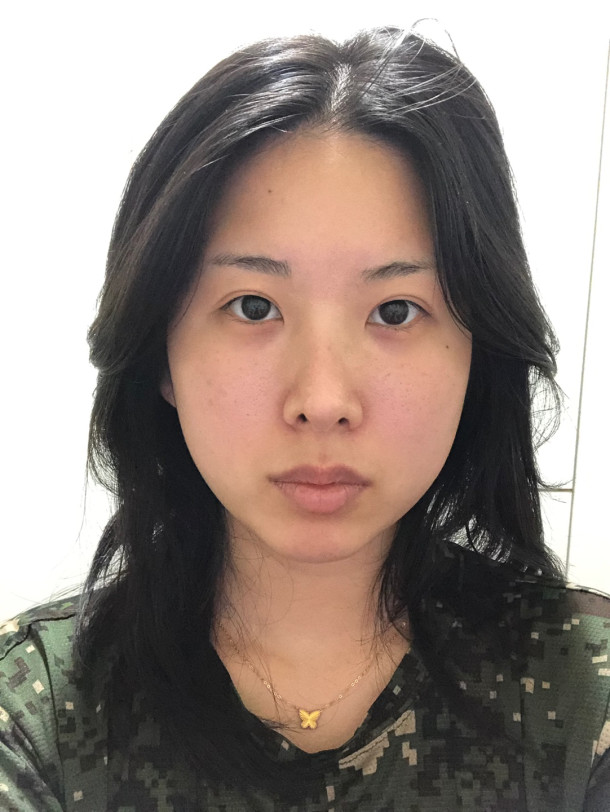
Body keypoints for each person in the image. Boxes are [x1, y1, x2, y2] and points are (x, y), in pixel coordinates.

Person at [1, 26, 608, 812]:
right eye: (253, 307)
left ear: (476, 355)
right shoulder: (36, 712)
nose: (322, 400)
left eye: (396, 310)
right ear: (160, 355)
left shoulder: (583, 696)